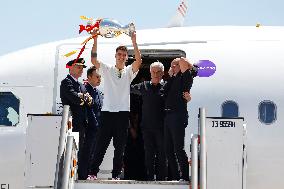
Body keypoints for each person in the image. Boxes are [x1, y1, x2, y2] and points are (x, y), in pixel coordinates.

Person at [88, 31, 142, 180]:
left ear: (126, 57)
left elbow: (139, 61)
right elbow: (93, 59)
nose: (121, 56)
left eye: (124, 55)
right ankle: (92, 173)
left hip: (123, 115)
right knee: (101, 145)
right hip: (107, 114)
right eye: (119, 54)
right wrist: (95, 39)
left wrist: (134, 40)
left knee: (120, 148)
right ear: (115, 55)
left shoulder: (129, 72)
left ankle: (116, 175)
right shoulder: (107, 69)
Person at [130, 62, 167, 181]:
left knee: (162, 154)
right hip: (147, 128)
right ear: (150, 72)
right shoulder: (144, 86)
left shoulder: (167, 87)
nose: (156, 74)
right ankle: (150, 179)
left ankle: (162, 179)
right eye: (153, 72)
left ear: (162, 73)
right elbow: (128, 89)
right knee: (149, 154)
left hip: (162, 128)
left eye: (158, 72)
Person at [60, 58, 93, 180]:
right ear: (71, 67)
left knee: (82, 152)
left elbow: (90, 102)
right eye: (79, 67)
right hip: (72, 124)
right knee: (72, 151)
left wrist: (83, 97)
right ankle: (70, 177)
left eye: (82, 68)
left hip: (82, 123)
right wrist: (82, 98)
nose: (81, 70)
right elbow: (75, 99)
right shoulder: (66, 82)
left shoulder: (81, 85)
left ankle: (81, 175)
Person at [163, 57, 194, 181]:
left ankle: (185, 176)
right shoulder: (173, 79)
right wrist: (171, 75)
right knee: (168, 149)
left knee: (178, 148)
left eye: (174, 65)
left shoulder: (185, 77)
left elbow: (182, 60)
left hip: (178, 115)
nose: (171, 68)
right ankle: (176, 177)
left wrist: (184, 64)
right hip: (168, 115)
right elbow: (164, 91)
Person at [81, 66, 103, 180]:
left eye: (100, 77)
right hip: (89, 129)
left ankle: (91, 174)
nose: (99, 79)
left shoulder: (99, 93)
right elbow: (87, 111)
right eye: (97, 77)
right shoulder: (84, 90)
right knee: (87, 153)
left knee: (94, 153)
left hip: (98, 129)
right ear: (89, 77)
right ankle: (84, 176)